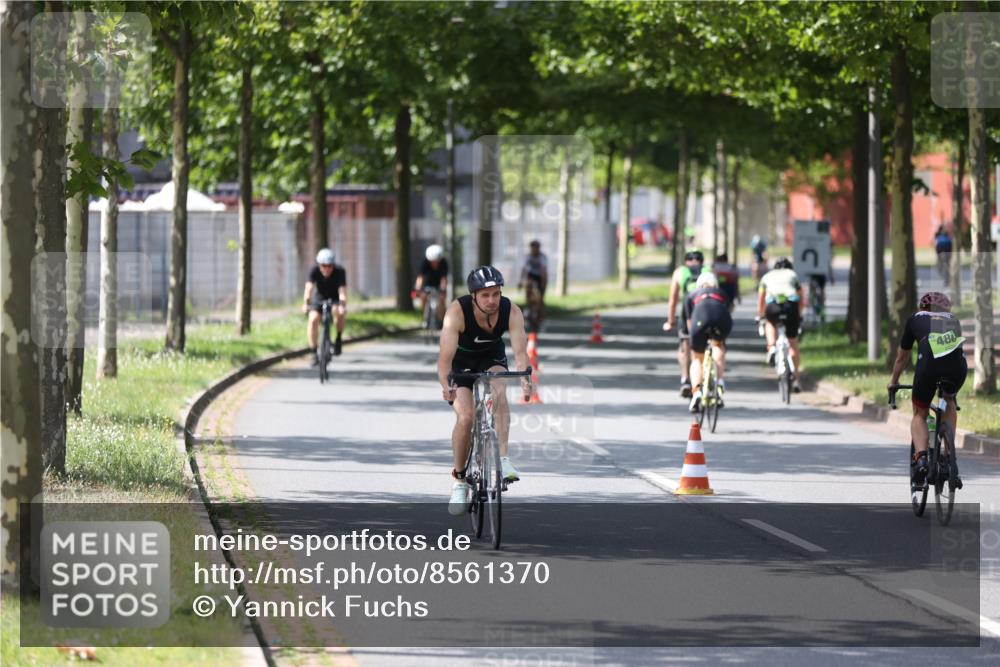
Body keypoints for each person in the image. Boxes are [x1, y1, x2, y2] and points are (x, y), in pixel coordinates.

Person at [439, 266, 532, 516]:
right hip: (460, 365)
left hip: (491, 358)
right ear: (473, 296)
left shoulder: (510, 310)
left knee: (500, 391)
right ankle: (459, 480)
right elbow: (445, 359)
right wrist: (446, 385)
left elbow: (521, 352)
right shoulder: (457, 312)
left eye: (496, 294)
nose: (492, 300)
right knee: (466, 417)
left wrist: (525, 380)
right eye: (485, 295)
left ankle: (503, 459)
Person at [888, 292, 966, 488]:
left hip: (929, 367)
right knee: (948, 400)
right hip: (957, 368)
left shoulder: (915, 319)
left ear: (922, 307)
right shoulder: (952, 319)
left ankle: (922, 459)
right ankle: (948, 459)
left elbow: (902, 357)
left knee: (920, 413)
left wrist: (893, 382)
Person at [685, 273, 733, 413]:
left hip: (700, 318)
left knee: (697, 359)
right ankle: (719, 382)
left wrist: (694, 340)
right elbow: (727, 311)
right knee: (718, 345)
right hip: (720, 318)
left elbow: (689, 323)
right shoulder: (721, 293)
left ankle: (697, 391)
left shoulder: (691, 295)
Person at [664, 249, 710, 397]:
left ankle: (685, 379)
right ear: (702, 261)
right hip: (708, 309)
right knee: (710, 343)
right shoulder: (709, 271)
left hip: (689, 311)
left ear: (685, 262)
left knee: (685, 344)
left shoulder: (679, 272)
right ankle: (709, 378)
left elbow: (673, 300)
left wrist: (670, 321)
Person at [756, 257, 804, 392]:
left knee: (770, 322)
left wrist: (760, 315)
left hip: (773, 306)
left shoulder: (767, 276)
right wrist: (799, 314)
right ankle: (796, 379)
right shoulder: (793, 275)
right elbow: (801, 296)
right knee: (793, 342)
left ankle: (771, 347)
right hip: (791, 305)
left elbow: (761, 299)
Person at [303, 248, 347, 362]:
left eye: (329, 265)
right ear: (319, 265)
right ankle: (313, 351)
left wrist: (343, 304)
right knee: (313, 320)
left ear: (333, 265)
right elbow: (309, 288)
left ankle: (338, 339)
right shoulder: (314, 271)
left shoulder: (340, 271)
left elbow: (342, 291)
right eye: (323, 265)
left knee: (339, 312)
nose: (326, 268)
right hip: (319, 298)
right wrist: (306, 303)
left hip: (334, 299)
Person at [414, 244, 449, 326]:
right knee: (423, 297)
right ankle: (425, 317)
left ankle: (442, 320)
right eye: (432, 261)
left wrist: (442, 290)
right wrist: (418, 288)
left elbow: (444, 279)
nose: (435, 263)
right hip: (428, 283)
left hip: (439, 284)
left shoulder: (444, 263)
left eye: (437, 261)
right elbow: (420, 277)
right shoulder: (425, 262)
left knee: (441, 300)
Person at [519, 240, 549, 332]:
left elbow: (544, 271)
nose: (534, 250)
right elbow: (524, 270)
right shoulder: (528, 257)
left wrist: (543, 286)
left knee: (541, 299)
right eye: (533, 248)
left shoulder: (542, 257)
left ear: (539, 248)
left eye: (536, 248)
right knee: (528, 285)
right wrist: (520, 282)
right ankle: (528, 306)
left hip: (540, 277)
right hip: (531, 276)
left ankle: (541, 317)